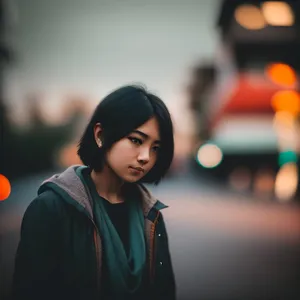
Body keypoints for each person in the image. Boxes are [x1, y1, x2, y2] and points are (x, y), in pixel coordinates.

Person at [12, 85, 176, 300]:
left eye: (155, 147)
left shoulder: (152, 215)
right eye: (136, 140)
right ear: (100, 135)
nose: (145, 156)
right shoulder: (50, 209)